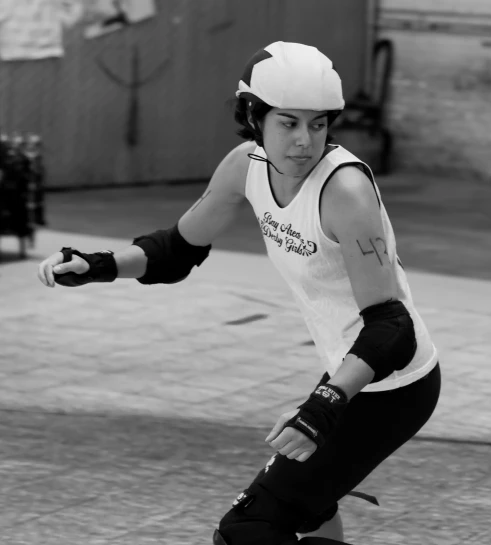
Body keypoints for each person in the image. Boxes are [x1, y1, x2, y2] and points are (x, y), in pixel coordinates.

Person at [36, 41, 441, 545]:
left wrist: (321, 406)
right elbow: (178, 248)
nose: (304, 141)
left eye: (318, 124)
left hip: (391, 384)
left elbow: (391, 329)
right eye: (288, 123)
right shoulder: (244, 165)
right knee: (307, 507)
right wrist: (98, 266)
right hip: (349, 368)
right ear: (253, 117)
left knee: (249, 529)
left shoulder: (344, 192)